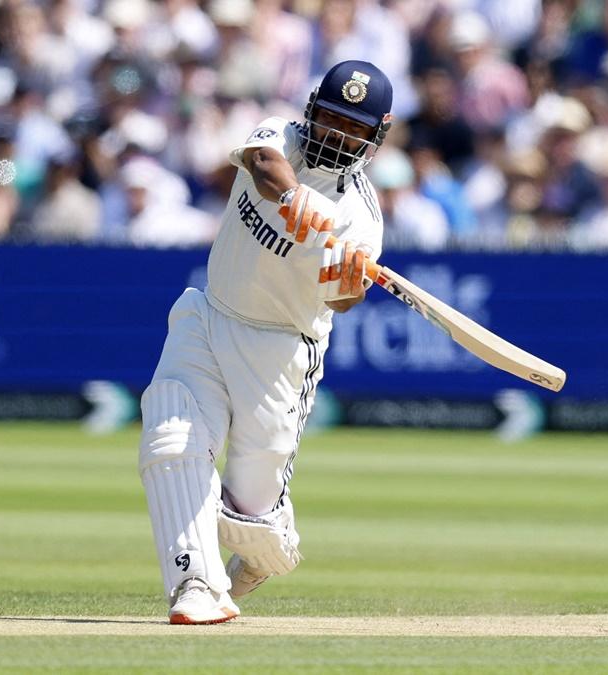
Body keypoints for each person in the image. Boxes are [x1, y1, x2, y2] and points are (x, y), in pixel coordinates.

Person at [136, 60, 393, 624]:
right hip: (211, 314)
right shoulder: (280, 137)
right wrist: (298, 200)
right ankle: (196, 588)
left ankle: (267, 544)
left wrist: (351, 278)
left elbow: (342, 302)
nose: (337, 134)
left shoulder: (361, 220)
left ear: (378, 133)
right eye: (330, 118)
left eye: (354, 127)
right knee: (172, 437)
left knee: (250, 515)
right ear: (311, 111)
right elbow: (261, 162)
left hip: (279, 354)